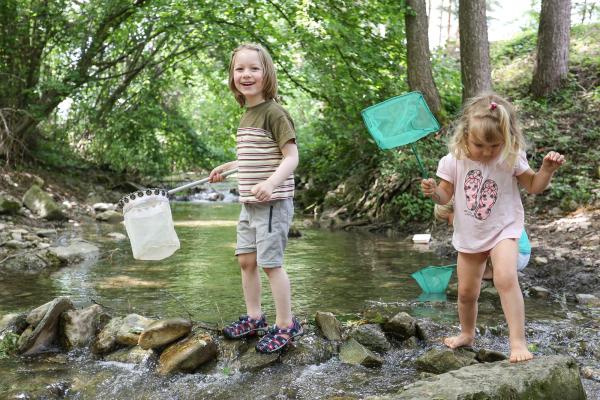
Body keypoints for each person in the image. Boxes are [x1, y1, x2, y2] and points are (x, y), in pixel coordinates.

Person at [421, 93, 565, 362]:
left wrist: (546, 171)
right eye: (479, 145)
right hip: (470, 234)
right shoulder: (453, 160)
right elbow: (444, 197)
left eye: (494, 145)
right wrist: (433, 192)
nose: (487, 152)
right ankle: (466, 333)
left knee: (505, 278)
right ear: (465, 136)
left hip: (504, 229)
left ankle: (518, 342)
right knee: (466, 292)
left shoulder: (510, 157)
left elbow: (534, 186)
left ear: (507, 139)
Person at [209, 43, 302, 353]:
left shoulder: (273, 112)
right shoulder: (248, 113)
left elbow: (291, 157)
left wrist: (272, 182)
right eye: (239, 69)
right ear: (232, 76)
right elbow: (253, 156)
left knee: (270, 264)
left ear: (266, 74)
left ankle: (286, 325)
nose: (246, 74)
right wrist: (229, 167)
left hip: (273, 203)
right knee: (246, 260)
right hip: (249, 203)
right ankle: (254, 317)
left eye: (253, 68)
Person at [434, 199, 531, 279]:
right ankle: (489, 272)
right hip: (520, 255)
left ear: (455, 209)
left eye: (447, 219)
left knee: (476, 251)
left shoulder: (477, 216)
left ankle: (491, 274)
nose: (449, 224)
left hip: (517, 256)